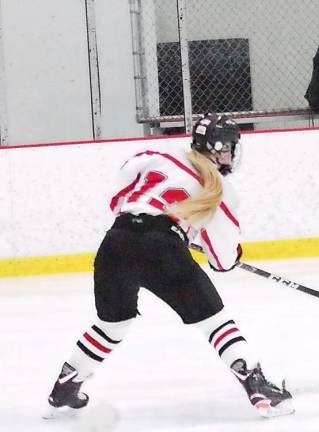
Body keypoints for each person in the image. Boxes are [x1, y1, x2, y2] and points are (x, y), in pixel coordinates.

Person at [43, 114, 294, 419]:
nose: (232, 154)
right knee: (215, 321)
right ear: (217, 149)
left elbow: (121, 191)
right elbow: (222, 260)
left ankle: (67, 383)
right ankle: (256, 385)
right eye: (229, 147)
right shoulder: (221, 190)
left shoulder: (158, 156)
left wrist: (157, 223)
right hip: (162, 249)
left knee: (112, 323)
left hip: (116, 241)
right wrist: (211, 247)